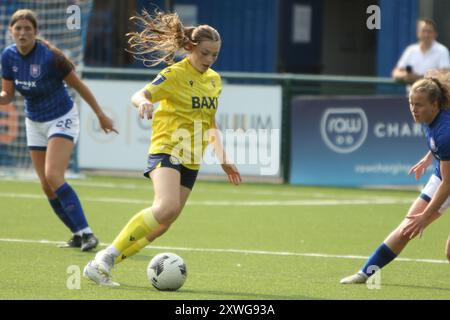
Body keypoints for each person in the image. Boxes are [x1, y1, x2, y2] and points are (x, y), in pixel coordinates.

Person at [83, 9, 242, 286]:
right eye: (204, 53)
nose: (209, 59)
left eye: (214, 54)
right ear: (190, 47)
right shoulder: (174, 74)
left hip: (192, 158)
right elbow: (140, 94)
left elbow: (210, 123)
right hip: (168, 148)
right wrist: (143, 102)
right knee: (165, 207)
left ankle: (101, 266)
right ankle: (104, 260)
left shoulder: (214, 81)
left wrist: (224, 158)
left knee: (163, 225)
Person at [0, 9, 117, 251]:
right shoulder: (8, 56)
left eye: (27, 29)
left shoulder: (51, 57)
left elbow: (79, 86)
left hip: (62, 117)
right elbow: (8, 95)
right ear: (11, 32)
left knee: (54, 176)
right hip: (34, 122)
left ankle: (88, 234)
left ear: (36, 32)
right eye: (18, 29)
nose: (22, 33)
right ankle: (76, 234)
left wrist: (101, 115)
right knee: (45, 184)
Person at [340, 71, 450, 284]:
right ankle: (365, 273)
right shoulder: (433, 119)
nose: (413, 109)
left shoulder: (446, 131)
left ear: (435, 105)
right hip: (443, 174)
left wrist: (426, 216)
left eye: (419, 104)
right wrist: (429, 157)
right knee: (406, 228)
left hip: (447, 180)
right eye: (411, 103)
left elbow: (448, 184)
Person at [392, 19, 450, 84]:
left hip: (434, 93)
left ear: (435, 34)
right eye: (423, 31)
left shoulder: (442, 51)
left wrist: (418, 77)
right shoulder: (410, 50)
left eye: (429, 31)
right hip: (412, 93)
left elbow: (445, 75)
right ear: (418, 33)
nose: (426, 35)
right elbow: (396, 73)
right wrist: (407, 75)